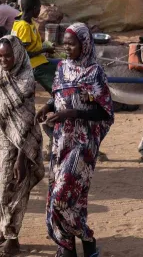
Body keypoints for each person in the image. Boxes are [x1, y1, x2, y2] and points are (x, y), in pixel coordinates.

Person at [37, 23, 113, 257]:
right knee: (73, 199)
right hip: (61, 141)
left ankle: (87, 237)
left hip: (83, 144)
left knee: (61, 198)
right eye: (65, 43)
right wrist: (47, 106)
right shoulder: (61, 68)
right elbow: (59, 95)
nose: (66, 48)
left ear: (85, 44)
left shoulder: (94, 72)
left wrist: (72, 113)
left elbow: (105, 112)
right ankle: (69, 247)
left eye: (72, 44)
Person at [0, 36, 45, 257]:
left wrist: (22, 159)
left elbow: (27, 122)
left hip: (14, 146)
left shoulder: (25, 81)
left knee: (9, 191)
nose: (3, 60)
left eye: (8, 56)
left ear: (18, 55)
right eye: (0, 55)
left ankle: (12, 240)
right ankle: (4, 227)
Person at [12, 0, 55, 93]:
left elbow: (32, 42)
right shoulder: (24, 27)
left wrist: (45, 44)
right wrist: (45, 49)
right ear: (35, 8)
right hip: (33, 65)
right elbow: (23, 54)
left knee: (60, 65)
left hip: (38, 60)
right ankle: (58, 98)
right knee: (55, 83)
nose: (40, 11)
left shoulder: (23, 19)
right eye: (39, 8)